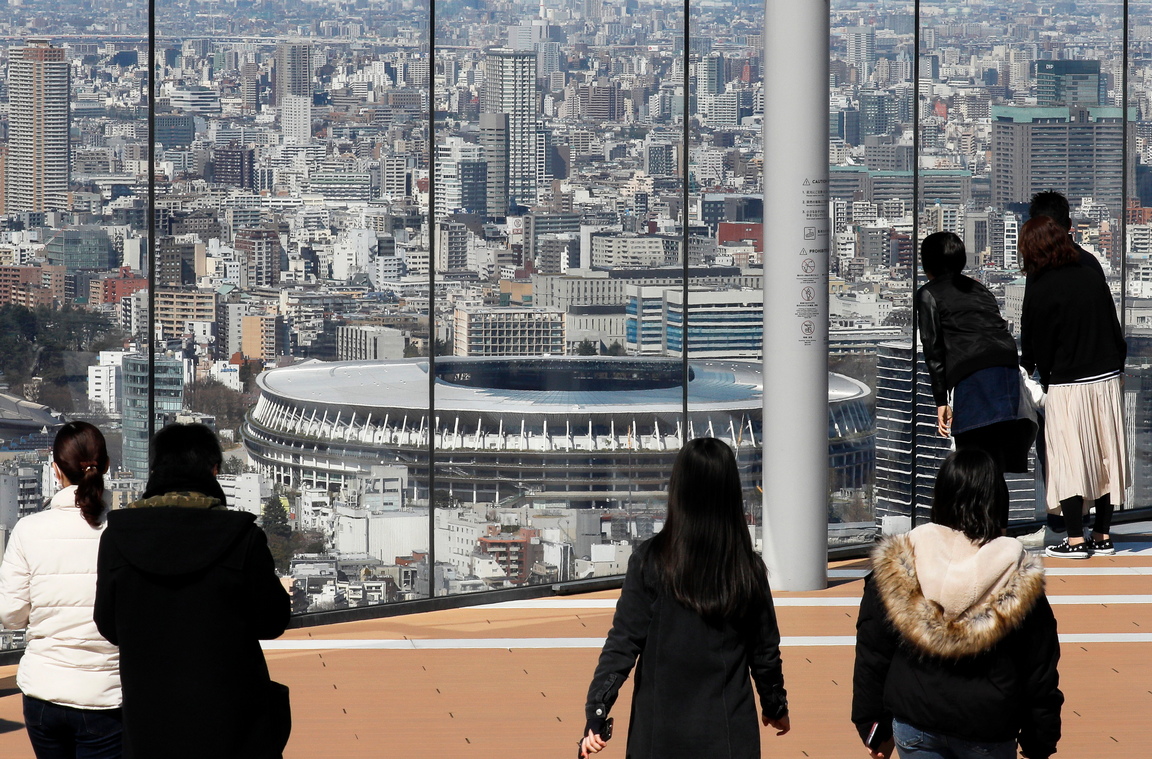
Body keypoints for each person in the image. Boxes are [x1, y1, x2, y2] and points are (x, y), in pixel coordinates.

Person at [579, 437, 789, 759]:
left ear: (678, 490)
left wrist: (597, 711)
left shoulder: (650, 561)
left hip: (659, 734)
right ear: (730, 493)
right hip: (729, 734)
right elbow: (764, 652)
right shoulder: (747, 569)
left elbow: (623, 642)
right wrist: (774, 705)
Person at [94, 423, 291, 759]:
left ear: (154, 470)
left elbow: (109, 627)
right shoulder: (242, 537)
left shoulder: (118, 538)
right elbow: (272, 621)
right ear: (214, 470)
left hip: (149, 723)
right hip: (233, 724)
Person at [852, 449, 1062, 759]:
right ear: (996, 502)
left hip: (915, 719)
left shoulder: (901, 563)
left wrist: (872, 726)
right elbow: (1039, 664)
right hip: (988, 726)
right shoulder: (1016, 574)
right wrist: (1039, 738)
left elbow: (873, 650)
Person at [0, 421, 122, 759]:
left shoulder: (28, 530)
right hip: (106, 694)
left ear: (55, 471)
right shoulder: (123, 532)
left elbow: (10, 615)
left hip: (43, 691)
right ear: (107, 466)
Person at [1019, 215, 1128, 558]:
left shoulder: (1042, 287)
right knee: (1104, 453)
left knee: (1068, 457)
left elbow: (1039, 345)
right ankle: (1104, 534)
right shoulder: (1091, 275)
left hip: (1067, 382)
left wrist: (1044, 376)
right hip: (1106, 377)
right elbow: (1114, 329)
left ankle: (1076, 538)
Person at [916, 231, 1036, 528]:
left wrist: (941, 401)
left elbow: (933, 351)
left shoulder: (929, 293)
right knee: (994, 468)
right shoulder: (980, 289)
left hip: (974, 379)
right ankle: (999, 535)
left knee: (971, 464)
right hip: (1007, 374)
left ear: (926, 264)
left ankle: (971, 535)